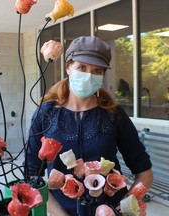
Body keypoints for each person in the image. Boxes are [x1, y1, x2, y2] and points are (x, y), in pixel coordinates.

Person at [26, 36, 153, 216]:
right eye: (82, 68)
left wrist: (125, 206)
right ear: (68, 67)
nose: (88, 75)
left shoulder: (114, 115)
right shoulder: (45, 114)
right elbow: (31, 175)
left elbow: (144, 171)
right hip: (60, 211)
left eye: (97, 71)